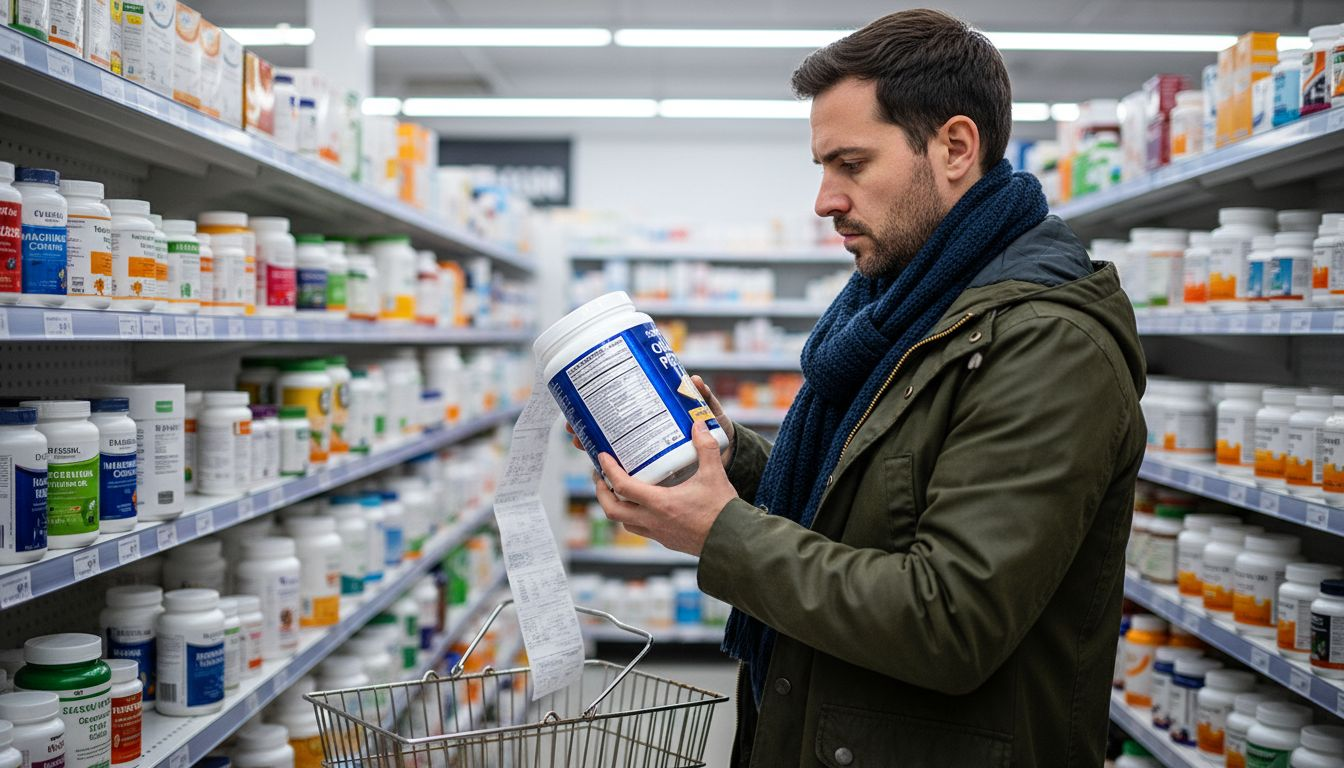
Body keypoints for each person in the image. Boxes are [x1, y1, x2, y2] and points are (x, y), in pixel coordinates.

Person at [582, 8, 1146, 767]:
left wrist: (721, 533)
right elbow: (869, 497)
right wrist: (726, 455)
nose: (825, 200)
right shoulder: (909, 306)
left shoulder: (1046, 342)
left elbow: (951, 619)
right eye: (822, 168)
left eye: (851, 164)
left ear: (954, 147)